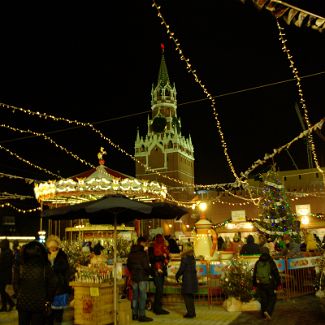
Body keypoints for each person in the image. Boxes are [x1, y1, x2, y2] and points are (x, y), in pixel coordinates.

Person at [13, 240, 58, 325]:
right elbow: (53, 283)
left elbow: (15, 283)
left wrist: (19, 294)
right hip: (40, 304)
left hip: (23, 303)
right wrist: (48, 298)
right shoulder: (45, 266)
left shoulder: (20, 266)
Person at [126, 236, 153, 322]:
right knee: (142, 297)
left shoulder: (131, 253)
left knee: (134, 296)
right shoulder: (143, 253)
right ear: (142, 243)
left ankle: (134, 314)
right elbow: (146, 266)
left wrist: (133, 271)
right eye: (145, 243)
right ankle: (142, 315)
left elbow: (128, 265)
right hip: (142, 277)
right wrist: (151, 272)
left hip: (134, 277)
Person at [46, 235, 71, 325]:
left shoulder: (62, 255)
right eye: (51, 247)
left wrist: (55, 266)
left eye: (54, 247)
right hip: (48, 287)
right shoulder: (45, 256)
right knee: (49, 313)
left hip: (60, 287)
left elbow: (66, 268)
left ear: (57, 246)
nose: (52, 249)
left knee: (59, 313)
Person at [253, 246, 281, 321]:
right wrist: (278, 283)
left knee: (263, 299)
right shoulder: (271, 261)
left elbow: (255, 273)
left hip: (261, 284)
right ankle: (268, 311)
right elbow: (276, 273)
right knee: (272, 298)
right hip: (270, 283)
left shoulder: (258, 262)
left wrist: (254, 285)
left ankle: (263, 315)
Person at [175, 245, 198, 318]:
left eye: (184, 248)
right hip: (193, 278)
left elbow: (182, 269)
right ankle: (193, 312)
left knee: (186, 296)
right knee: (190, 296)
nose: (182, 249)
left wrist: (177, 275)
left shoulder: (184, 258)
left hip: (187, 279)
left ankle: (190, 313)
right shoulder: (192, 257)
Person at [150, 234, 170, 315]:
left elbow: (166, 257)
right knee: (159, 290)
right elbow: (152, 259)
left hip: (161, 270)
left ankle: (158, 307)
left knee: (160, 290)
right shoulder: (152, 248)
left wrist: (166, 257)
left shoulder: (163, 247)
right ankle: (157, 309)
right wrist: (162, 257)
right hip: (156, 271)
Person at [0, 238, 15, 312]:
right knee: (3, 291)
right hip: (5, 274)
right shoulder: (7, 252)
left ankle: (9, 304)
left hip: (4, 275)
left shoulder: (7, 253)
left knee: (4, 291)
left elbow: (5, 264)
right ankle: (5, 306)